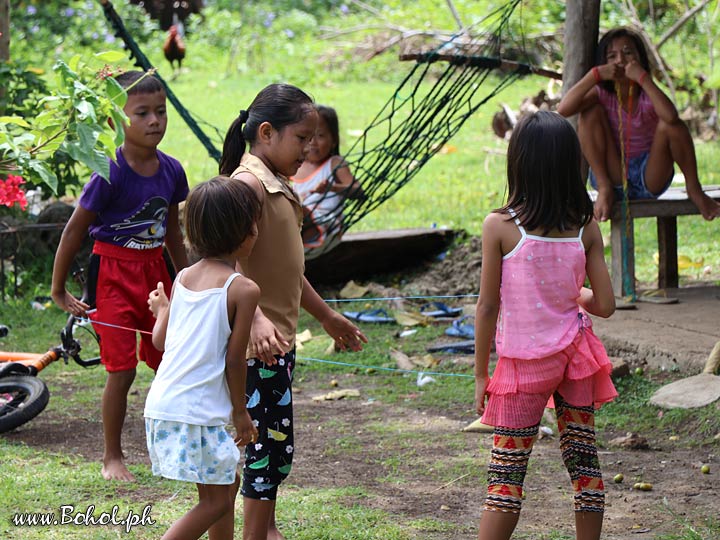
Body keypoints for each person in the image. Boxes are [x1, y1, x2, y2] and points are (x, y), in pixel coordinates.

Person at [218, 83, 368, 540]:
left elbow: (287, 267)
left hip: (276, 342)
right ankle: (256, 533)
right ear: (266, 132)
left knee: (271, 441)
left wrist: (325, 315)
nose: (309, 148)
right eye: (301, 138)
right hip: (255, 345)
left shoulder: (277, 183)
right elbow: (226, 262)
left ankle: (266, 526)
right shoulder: (247, 186)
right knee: (266, 447)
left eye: (312, 138)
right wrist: (258, 317)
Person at [474, 111, 618, 540]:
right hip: (576, 358)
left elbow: (487, 306)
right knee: (584, 463)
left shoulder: (500, 226)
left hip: (522, 368)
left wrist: (482, 373)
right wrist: (576, 296)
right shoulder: (585, 226)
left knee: (507, 475)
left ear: (518, 163)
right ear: (571, 164)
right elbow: (606, 304)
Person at [51, 70, 189, 482]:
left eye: (160, 112)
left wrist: (185, 280)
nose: (154, 121)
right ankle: (113, 456)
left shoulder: (173, 170)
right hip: (111, 274)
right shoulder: (107, 171)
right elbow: (74, 229)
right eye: (142, 113)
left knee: (168, 361)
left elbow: (173, 232)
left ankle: (173, 449)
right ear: (116, 121)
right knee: (122, 369)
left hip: (156, 277)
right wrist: (58, 289)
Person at [145, 176, 261, 540]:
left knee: (226, 483)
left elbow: (160, 340)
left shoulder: (182, 278)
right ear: (245, 233)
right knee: (216, 501)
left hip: (165, 405)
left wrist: (162, 309)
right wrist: (241, 413)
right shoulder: (242, 289)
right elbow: (235, 360)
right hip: (196, 413)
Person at [557, 27, 720, 222]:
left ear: (640, 59)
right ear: (603, 63)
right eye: (612, 56)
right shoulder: (600, 94)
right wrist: (595, 75)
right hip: (614, 176)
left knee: (671, 126)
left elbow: (671, 117)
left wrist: (642, 78)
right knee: (589, 114)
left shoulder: (647, 95)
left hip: (650, 175)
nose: (621, 60)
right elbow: (564, 110)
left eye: (628, 53)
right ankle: (604, 188)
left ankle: (694, 189)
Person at [291, 104, 364, 256]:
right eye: (307, 137)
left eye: (320, 135)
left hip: (325, 225)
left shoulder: (334, 164)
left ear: (334, 140)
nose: (313, 143)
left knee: (292, 207)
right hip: (296, 228)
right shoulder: (293, 164)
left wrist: (332, 187)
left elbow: (359, 192)